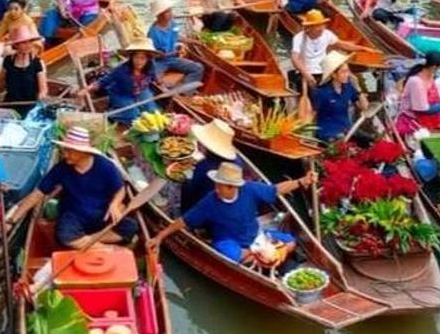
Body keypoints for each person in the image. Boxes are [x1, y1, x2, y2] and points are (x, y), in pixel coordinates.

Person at [152, 161, 313, 264]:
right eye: (216, 184)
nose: (216, 188)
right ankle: (263, 257)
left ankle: (265, 257)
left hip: (254, 235)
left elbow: (276, 190)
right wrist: (160, 236)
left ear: (232, 187)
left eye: (219, 185)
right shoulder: (210, 201)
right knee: (232, 255)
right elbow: (185, 221)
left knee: (291, 241)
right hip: (229, 241)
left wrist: (301, 181)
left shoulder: (249, 189)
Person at [10, 127, 136, 248]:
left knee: (130, 227)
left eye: (69, 151)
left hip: (102, 214)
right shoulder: (61, 168)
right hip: (73, 215)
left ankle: (89, 241)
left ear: (82, 152)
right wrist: (13, 219)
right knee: (64, 236)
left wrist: (114, 204)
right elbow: (38, 193)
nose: (65, 155)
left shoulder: (106, 166)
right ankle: (102, 247)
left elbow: (120, 189)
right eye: (65, 151)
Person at [81, 40, 162, 125]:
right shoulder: (121, 70)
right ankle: (112, 115)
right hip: (121, 94)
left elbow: (153, 77)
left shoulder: (151, 66)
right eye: (136, 57)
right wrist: (86, 89)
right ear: (131, 58)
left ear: (147, 59)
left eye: (142, 58)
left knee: (153, 112)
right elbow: (104, 81)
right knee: (134, 116)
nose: (139, 61)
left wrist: (158, 82)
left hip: (142, 91)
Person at [180, 119, 247, 211]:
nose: (199, 144)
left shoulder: (204, 167)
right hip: (223, 205)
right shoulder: (238, 162)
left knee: (185, 182)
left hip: (201, 206)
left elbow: (189, 190)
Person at [395, 54, 440, 136]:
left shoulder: (430, 75)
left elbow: (432, 97)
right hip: (414, 117)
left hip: (429, 111)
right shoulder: (416, 82)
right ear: (434, 67)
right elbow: (422, 109)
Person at [309, 53, 368, 143]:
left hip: (347, 131)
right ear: (334, 75)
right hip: (328, 134)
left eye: (347, 71)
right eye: (343, 72)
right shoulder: (321, 92)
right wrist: (309, 138)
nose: (347, 75)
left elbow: (365, 108)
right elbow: (312, 115)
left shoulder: (348, 87)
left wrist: (358, 87)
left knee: (371, 141)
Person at [146, 0, 204, 87]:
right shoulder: (153, 33)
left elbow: (176, 36)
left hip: (173, 59)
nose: (171, 13)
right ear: (159, 14)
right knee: (154, 79)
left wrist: (194, 42)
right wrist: (173, 53)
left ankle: (186, 92)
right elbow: (153, 55)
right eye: (168, 11)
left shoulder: (172, 23)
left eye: (170, 10)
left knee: (198, 68)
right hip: (159, 62)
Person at [290, 9, 340, 90]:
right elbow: (294, 58)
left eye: (322, 25)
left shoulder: (327, 34)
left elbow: (341, 44)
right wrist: (306, 74)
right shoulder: (299, 38)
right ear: (309, 27)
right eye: (317, 26)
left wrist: (361, 48)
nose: (321, 28)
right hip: (307, 73)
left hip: (324, 71)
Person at [2, 26, 48, 104]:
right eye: (24, 42)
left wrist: (41, 97)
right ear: (16, 45)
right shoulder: (8, 60)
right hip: (10, 103)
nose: (28, 45)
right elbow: (0, 81)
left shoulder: (37, 63)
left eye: (30, 42)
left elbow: (43, 90)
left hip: (30, 105)